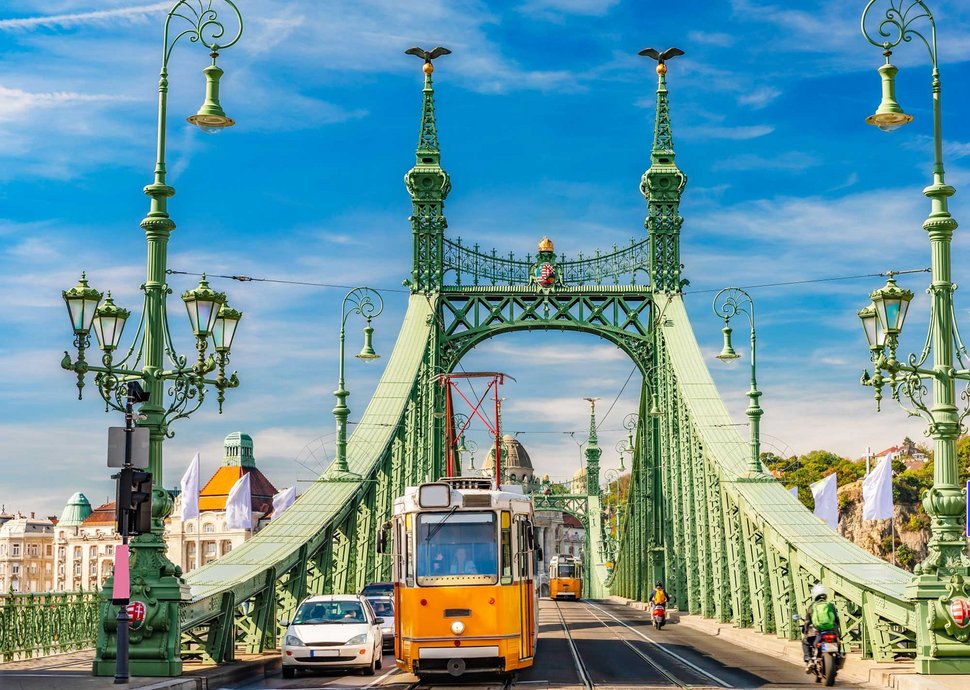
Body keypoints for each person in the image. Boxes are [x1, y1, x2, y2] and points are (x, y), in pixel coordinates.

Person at [802, 584, 840, 673]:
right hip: (831, 631)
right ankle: (838, 656)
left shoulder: (812, 606)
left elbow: (807, 621)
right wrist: (837, 630)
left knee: (805, 641)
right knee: (838, 643)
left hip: (819, 632)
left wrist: (806, 630)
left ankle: (809, 660)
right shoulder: (831, 605)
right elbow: (837, 619)